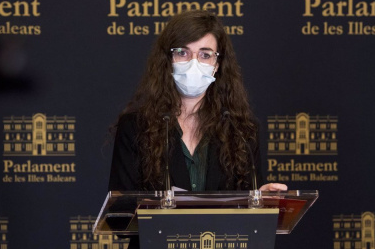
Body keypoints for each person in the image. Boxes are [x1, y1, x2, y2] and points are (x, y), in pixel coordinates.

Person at [108, 10, 286, 193]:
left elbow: (250, 204)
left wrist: (262, 200)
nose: (194, 63)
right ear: (168, 60)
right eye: (183, 53)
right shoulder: (135, 127)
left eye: (205, 55)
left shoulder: (241, 130)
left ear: (217, 65)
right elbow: (120, 212)